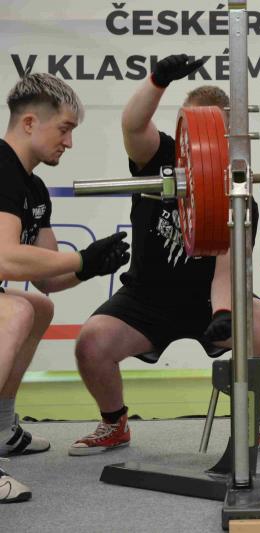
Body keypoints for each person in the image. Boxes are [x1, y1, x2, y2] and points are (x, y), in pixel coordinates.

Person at [69, 55, 260, 456]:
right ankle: (114, 423)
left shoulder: (237, 192)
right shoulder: (158, 159)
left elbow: (227, 269)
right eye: (192, 128)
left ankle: (259, 421)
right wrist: (157, 80)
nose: (199, 142)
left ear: (228, 136)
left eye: (212, 132)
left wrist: (223, 312)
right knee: (92, 343)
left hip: (211, 301)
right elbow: (132, 125)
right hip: (146, 298)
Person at [0, 73, 130, 501]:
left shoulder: (33, 187)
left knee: (38, 307)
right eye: (64, 129)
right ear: (30, 123)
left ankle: (2, 430)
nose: (69, 143)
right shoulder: (1, 167)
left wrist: (90, 267)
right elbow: (4, 257)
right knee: (15, 310)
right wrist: (81, 258)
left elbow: (47, 279)